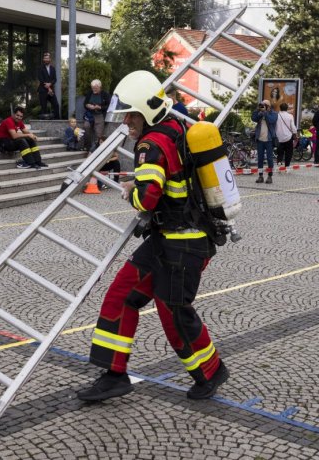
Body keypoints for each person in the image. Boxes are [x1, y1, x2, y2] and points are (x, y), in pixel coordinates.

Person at [76, 70, 228, 402]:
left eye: (131, 114)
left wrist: (128, 191)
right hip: (166, 241)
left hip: (183, 246)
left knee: (174, 311)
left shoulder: (150, 144)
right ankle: (114, 374)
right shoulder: (176, 127)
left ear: (147, 111)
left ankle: (211, 371)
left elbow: (146, 198)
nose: (127, 121)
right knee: (120, 296)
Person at [251, 99, 277, 184]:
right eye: (262, 104)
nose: (263, 106)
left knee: (269, 159)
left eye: (265, 104)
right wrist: (257, 109)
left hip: (269, 140)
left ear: (269, 106)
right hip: (260, 139)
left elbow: (271, 120)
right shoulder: (260, 113)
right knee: (260, 159)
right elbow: (253, 118)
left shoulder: (274, 114)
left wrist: (265, 112)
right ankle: (260, 176)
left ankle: (270, 176)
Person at [83, 79, 111, 152]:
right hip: (90, 115)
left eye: (95, 88)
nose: (94, 89)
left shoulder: (105, 94)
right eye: (93, 88)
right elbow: (85, 104)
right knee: (86, 126)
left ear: (100, 87)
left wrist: (100, 107)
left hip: (100, 115)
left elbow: (109, 106)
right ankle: (87, 146)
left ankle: (96, 149)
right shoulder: (89, 93)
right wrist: (88, 105)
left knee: (99, 133)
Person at [275, 102, 297, 168]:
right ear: (287, 108)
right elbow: (293, 127)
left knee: (280, 152)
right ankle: (287, 166)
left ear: (280, 108)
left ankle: (279, 164)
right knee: (288, 153)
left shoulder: (277, 115)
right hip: (288, 137)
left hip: (279, 138)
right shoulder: (290, 116)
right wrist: (295, 134)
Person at [37, 51, 59, 119]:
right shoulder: (40, 68)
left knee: (56, 105)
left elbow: (55, 79)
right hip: (43, 91)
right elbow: (41, 79)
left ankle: (56, 120)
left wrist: (50, 84)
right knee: (44, 107)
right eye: (45, 58)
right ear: (43, 60)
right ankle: (43, 124)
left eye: (47, 58)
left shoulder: (53, 68)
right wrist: (48, 88)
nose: (46, 59)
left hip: (51, 91)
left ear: (50, 59)